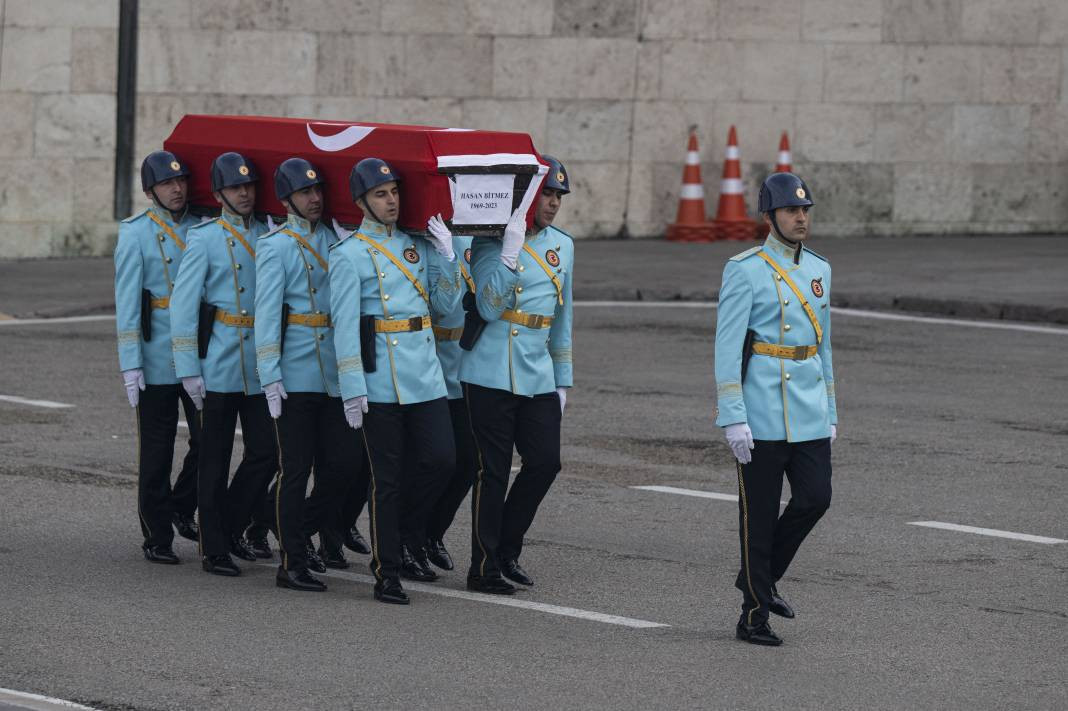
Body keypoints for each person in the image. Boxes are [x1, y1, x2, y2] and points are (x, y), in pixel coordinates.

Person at [329, 157, 461, 605]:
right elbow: (345, 327)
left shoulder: (417, 246)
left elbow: (445, 308)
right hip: (379, 379)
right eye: (380, 194)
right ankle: (387, 571)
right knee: (386, 479)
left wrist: (447, 256)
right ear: (361, 201)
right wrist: (352, 387)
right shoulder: (348, 254)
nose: (391, 201)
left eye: (394, 192)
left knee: (442, 460)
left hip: (424, 374)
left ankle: (408, 534)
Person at [714, 172, 837, 647]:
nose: (800, 217)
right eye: (791, 210)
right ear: (769, 216)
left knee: (815, 498)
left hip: (808, 408)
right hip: (762, 410)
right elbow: (727, 348)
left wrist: (830, 410)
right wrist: (733, 415)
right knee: (759, 518)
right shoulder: (745, 269)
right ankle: (753, 615)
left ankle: (758, 579)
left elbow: (824, 347)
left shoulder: (820, 269)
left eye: (805, 210)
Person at [459, 155, 574, 594]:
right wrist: (508, 254)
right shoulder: (489, 241)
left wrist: (562, 378)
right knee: (493, 471)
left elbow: (562, 318)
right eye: (546, 194)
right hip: (489, 371)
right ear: (526, 197)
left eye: (558, 196)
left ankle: (507, 548)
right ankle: (484, 567)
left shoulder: (563, 245)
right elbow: (489, 307)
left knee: (545, 462)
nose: (553, 203)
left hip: (537, 372)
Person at [170, 152, 277, 577]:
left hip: (259, 363)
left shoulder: (269, 233)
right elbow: (183, 306)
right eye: (235, 187)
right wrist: (188, 368)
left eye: (249, 186)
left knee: (267, 452)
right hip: (219, 360)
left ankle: (229, 525)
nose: (245, 193)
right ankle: (213, 548)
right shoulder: (205, 238)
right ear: (218, 194)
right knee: (213, 460)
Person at [254, 157, 357, 592]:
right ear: (285, 200)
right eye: (304, 193)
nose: (314, 199)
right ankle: (292, 562)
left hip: (333, 371)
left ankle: (279, 523)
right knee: (295, 470)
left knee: (343, 466)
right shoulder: (275, 246)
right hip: (295, 373)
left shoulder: (338, 238)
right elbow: (266, 314)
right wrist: (270, 375)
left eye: (317, 191)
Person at [114, 150, 202, 564]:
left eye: (181, 180)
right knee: (156, 451)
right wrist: (130, 363)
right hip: (155, 355)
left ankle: (182, 505)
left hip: (199, 353)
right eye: (167, 183)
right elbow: (128, 302)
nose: (177, 188)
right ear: (150, 191)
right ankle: (157, 535)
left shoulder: (203, 227)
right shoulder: (135, 233)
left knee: (208, 441)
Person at [421, 231, 476, 572]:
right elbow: (439, 306)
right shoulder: (422, 240)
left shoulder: (478, 238)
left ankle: (432, 533)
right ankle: (406, 536)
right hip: (426, 365)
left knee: (468, 461)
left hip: (466, 366)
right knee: (431, 461)